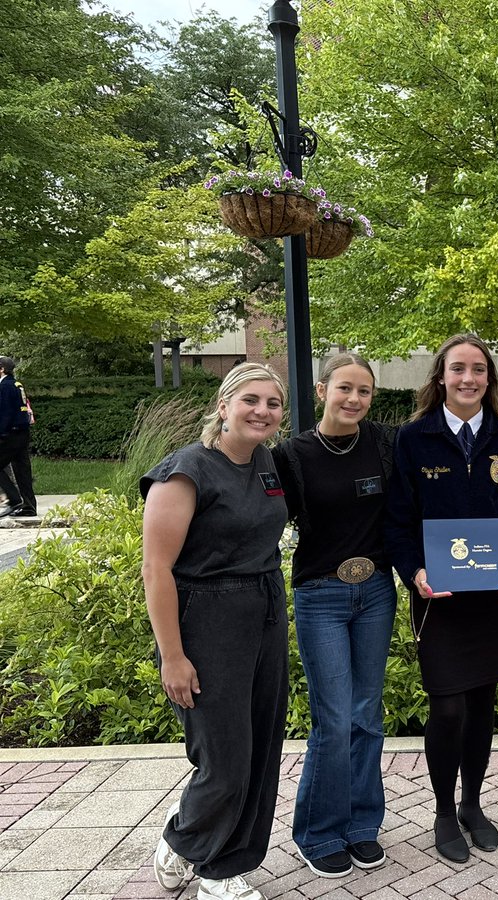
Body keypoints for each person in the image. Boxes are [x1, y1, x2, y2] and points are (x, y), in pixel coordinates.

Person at [385, 334, 498, 864]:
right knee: (447, 709)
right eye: (458, 369)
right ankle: (444, 811)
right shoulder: (413, 439)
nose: (468, 378)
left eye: (478, 370)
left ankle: (474, 804)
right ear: (440, 377)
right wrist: (415, 572)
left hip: (490, 596)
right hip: (439, 596)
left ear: (490, 379)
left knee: (482, 705)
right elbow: (398, 521)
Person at [141, 363, 290, 900]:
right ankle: (195, 849)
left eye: (273, 403)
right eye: (251, 400)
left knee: (260, 749)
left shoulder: (267, 464)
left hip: (266, 610)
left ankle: (225, 863)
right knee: (224, 759)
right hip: (208, 618)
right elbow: (156, 569)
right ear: (224, 406)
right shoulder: (187, 470)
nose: (262, 411)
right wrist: (172, 656)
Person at [271, 354, 396, 878]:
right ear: (323, 390)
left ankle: (363, 824)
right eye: (345, 388)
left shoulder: (385, 444)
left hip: (375, 592)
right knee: (335, 715)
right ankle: (319, 831)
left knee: (367, 713)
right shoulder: (290, 456)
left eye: (364, 391)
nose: (354, 400)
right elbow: (255, 510)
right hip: (320, 594)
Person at [0, 356, 36, 518]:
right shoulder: (16, 384)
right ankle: (29, 506)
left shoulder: (5, 386)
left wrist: (1, 433)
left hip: (11, 434)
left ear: (2, 369)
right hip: (22, 432)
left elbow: (5, 413)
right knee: (22, 470)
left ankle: (14, 500)